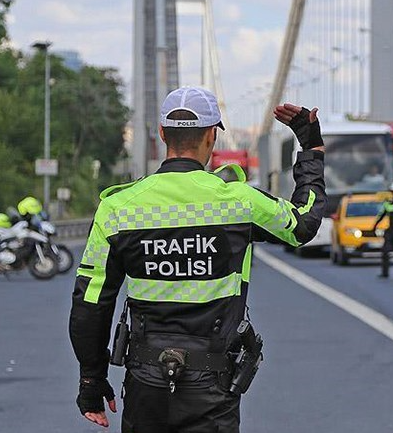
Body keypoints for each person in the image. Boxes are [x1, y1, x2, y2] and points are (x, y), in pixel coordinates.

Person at [69, 86, 326, 432]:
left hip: (146, 382)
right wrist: (310, 148)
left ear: (162, 134)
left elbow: (90, 304)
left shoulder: (117, 209)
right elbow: (303, 224)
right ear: (211, 136)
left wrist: (91, 381)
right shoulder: (238, 202)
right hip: (213, 383)